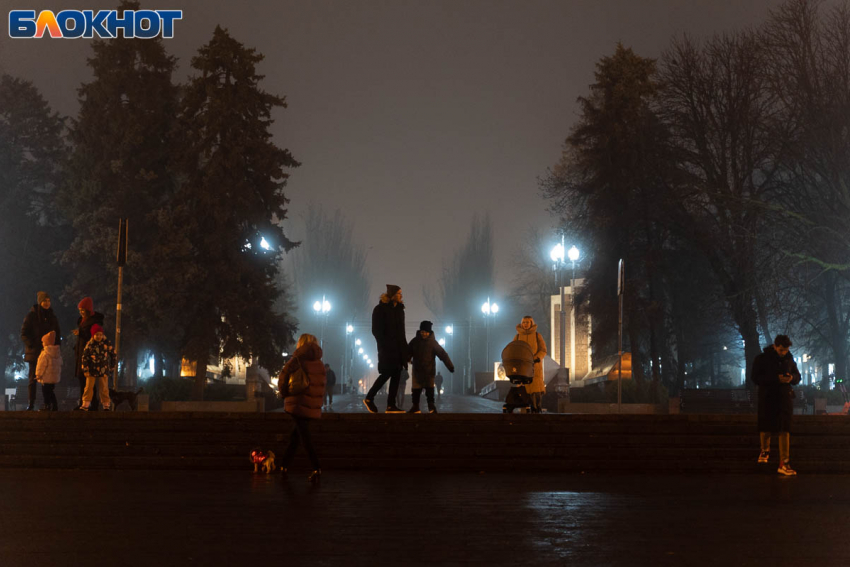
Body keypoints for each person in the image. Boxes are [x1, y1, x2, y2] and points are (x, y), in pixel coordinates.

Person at [278, 333, 327, 483]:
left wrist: (284, 394)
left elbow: (283, 378)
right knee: (296, 435)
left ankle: (316, 467)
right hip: (312, 404)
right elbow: (322, 384)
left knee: (304, 437)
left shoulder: (297, 359)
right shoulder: (319, 363)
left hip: (297, 401)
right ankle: (283, 466)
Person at [751, 334, 801, 476]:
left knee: (784, 429)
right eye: (780, 350)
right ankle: (765, 450)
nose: (783, 353)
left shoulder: (789, 359)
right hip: (769, 397)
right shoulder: (762, 359)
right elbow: (755, 377)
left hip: (784, 398)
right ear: (775, 346)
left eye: (785, 350)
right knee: (767, 426)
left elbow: (797, 375)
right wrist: (775, 379)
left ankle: (784, 462)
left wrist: (792, 378)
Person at [364, 285, 407, 414]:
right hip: (387, 349)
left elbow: (402, 333)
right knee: (387, 373)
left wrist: (405, 351)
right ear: (392, 295)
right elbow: (376, 331)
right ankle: (369, 398)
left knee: (396, 374)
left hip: (398, 349)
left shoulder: (400, 311)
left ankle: (391, 405)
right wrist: (384, 345)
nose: (401, 295)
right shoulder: (380, 309)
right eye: (398, 293)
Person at [20, 291, 62, 411]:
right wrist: (32, 344)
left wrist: (56, 348)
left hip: (48, 352)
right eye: (45, 301)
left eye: (49, 301)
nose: (47, 303)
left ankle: (47, 403)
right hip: (34, 352)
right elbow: (23, 333)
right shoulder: (31, 316)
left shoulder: (52, 316)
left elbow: (57, 334)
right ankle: (31, 403)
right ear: (40, 302)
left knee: (48, 381)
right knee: (33, 378)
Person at [407, 321, 454, 414]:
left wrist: (450, 366)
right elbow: (407, 352)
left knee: (429, 391)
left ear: (429, 332)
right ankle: (416, 406)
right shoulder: (415, 342)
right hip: (417, 371)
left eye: (425, 332)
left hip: (429, 371)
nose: (423, 333)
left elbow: (443, 355)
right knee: (416, 391)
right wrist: (407, 360)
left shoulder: (432, 343)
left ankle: (431, 406)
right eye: (422, 331)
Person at [73, 297, 104, 410]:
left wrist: (80, 333)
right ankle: (85, 403)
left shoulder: (93, 323)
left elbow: (93, 338)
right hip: (81, 354)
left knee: (89, 381)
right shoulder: (82, 322)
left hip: (89, 356)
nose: (81, 312)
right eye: (80, 310)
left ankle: (91, 404)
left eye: (83, 310)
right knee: (83, 380)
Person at [513, 316, 547, 413]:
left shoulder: (537, 335)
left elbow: (543, 350)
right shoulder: (517, 337)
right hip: (523, 367)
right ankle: (526, 409)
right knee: (524, 389)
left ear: (531, 323)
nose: (525, 324)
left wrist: (537, 358)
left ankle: (537, 408)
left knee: (536, 391)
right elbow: (513, 350)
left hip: (535, 366)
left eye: (527, 322)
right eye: (524, 322)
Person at [78, 324, 115, 411]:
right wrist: (85, 369)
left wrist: (112, 365)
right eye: (97, 335)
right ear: (93, 335)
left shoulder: (106, 344)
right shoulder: (90, 345)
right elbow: (85, 357)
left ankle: (106, 405)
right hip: (92, 369)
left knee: (104, 388)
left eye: (100, 334)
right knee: (88, 387)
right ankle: (85, 404)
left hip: (103, 369)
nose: (99, 336)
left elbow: (113, 354)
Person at [35, 331, 62, 411]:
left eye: (43, 342)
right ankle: (54, 405)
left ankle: (47, 405)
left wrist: (38, 374)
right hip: (53, 378)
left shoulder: (45, 353)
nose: (42, 343)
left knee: (45, 392)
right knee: (51, 391)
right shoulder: (57, 353)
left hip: (46, 377)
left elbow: (41, 365)